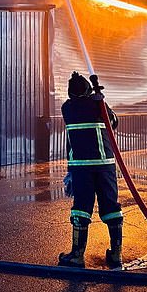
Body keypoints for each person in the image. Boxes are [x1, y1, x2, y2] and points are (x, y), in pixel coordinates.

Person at [58, 71, 123, 269]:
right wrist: (102, 102)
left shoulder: (67, 108)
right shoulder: (98, 106)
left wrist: (98, 102)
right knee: (111, 207)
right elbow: (114, 123)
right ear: (88, 90)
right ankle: (116, 255)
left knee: (81, 208)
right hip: (105, 165)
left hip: (81, 167)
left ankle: (77, 255)